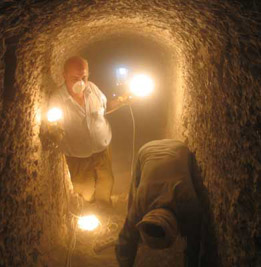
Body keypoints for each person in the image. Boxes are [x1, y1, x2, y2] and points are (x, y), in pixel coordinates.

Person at [48, 56, 129, 208]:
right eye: (75, 78)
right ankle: (90, 205)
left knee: (106, 181)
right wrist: (54, 131)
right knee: (84, 187)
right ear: (64, 75)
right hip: (77, 155)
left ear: (88, 74)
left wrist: (122, 101)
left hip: (102, 148)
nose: (81, 82)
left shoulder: (93, 89)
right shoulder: (57, 99)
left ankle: (104, 205)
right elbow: (53, 127)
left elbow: (105, 109)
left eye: (84, 77)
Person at [115, 139, 203, 267]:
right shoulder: (139, 205)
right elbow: (125, 240)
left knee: (135, 191)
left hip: (174, 148)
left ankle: (136, 237)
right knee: (135, 192)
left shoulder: (188, 203)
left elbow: (194, 244)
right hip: (152, 150)